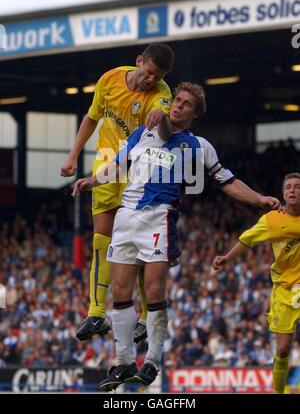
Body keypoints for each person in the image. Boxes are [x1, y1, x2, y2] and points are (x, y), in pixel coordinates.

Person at [72, 81, 280, 391]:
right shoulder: (143, 133)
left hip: (159, 218)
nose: (179, 105)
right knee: (120, 290)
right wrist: (91, 180)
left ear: (195, 114)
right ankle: (124, 361)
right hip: (126, 216)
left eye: (186, 105)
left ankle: (152, 361)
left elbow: (228, 181)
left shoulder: (198, 145)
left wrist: (260, 199)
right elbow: (118, 164)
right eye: (177, 100)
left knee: (154, 291)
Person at [61, 43, 175, 342]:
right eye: (149, 72)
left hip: (139, 170)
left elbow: (163, 120)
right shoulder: (109, 79)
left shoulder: (162, 94)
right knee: (102, 239)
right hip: (107, 164)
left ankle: (147, 316)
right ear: (139, 62)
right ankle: (96, 312)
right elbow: (91, 118)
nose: (151, 79)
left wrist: (159, 115)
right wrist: (73, 156)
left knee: (136, 246)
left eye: (157, 76)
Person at [212, 172, 300, 394]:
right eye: (288, 187)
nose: (292, 190)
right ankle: (278, 392)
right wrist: (226, 258)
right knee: (282, 349)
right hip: (284, 289)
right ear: (282, 193)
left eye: (297, 187)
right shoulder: (272, 220)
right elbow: (247, 239)